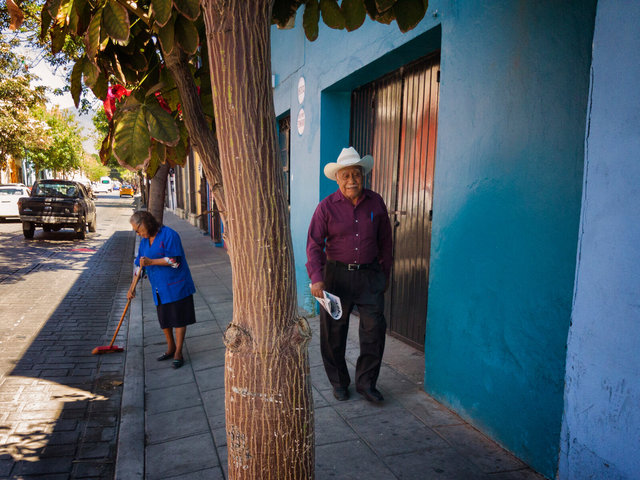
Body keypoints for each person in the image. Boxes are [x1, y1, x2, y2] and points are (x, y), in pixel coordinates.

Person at [306, 147, 393, 403]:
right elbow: (313, 243)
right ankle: (340, 382)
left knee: (374, 331)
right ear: (337, 178)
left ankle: (366, 384)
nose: (352, 180)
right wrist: (316, 277)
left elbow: (386, 242)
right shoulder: (326, 207)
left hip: (369, 278)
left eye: (356, 174)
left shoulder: (376, 203)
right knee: (333, 333)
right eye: (346, 175)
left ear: (362, 175)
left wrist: (383, 275)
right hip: (335, 278)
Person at [127, 211, 196, 369]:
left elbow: (175, 261)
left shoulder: (169, 235)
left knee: (179, 319)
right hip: (159, 287)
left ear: (145, 223)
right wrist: (132, 288)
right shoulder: (145, 241)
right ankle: (170, 348)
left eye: (137, 229)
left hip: (176, 285)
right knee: (165, 320)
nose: (137, 233)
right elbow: (140, 265)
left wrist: (152, 262)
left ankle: (178, 352)